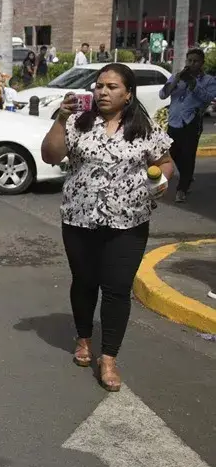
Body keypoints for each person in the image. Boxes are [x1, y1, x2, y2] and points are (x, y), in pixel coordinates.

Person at [41, 64, 174, 392]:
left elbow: (165, 162)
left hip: (129, 222)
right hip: (79, 220)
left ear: (128, 93)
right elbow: (49, 155)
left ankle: (109, 358)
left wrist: (163, 181)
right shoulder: (76, 123)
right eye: (99, 85)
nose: (103, 91)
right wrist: (60, 118)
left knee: (117, 289)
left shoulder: (145, 128)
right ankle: (84, 339)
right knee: (85, 282)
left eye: (112, 86)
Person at [157, 48, 216, 202]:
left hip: (192, 122)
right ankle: (187, 177)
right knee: (173, 153)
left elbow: (207, 98)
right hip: (174, 121)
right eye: (189, 61)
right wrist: (176, 80)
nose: (191, 64)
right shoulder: (177, 76)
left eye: (195, 61)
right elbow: (163, 94)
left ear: (202, 63)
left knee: (188, 156)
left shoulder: (208, 80)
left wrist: (193, 84)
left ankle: (181, 189)